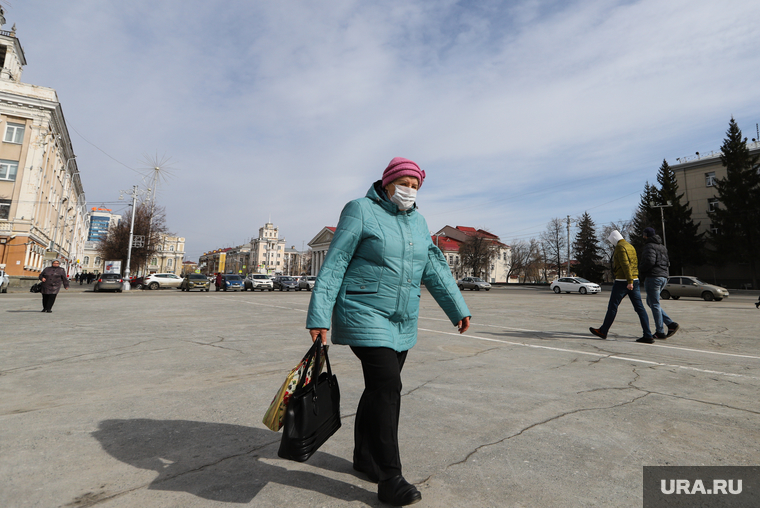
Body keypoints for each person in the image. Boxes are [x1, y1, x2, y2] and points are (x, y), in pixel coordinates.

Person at [306, 157, 471, 506]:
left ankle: (365, 457)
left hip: (402, 319)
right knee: (388, 387)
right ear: (387, 183)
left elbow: (434, 269)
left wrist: (457, 308)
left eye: (416, 186)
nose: (409, 190)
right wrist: (319, 315)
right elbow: (335, 262)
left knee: (379, 388)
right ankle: (390, 477)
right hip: (363, 311)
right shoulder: (360, 210)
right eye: (404, 183)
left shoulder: (419, 222)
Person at [590, 230, 654, 343]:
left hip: (623, 281)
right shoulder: (630, 246)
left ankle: (603, 331)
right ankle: (648, 334)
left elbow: (625, 264)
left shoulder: (620, 247)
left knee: (612, 306)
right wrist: (632, 280)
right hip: (635, 280)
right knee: (640, 308)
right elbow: (634, 263)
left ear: (614, 239)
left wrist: (629, 281)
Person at [638, 227, 679, 339]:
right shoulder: (662, 247)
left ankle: (660, 332)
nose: (643, 237)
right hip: (663, 277)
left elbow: (649, 262)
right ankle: (670, 324)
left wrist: (640, 269)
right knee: (651, 302)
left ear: (646, 235)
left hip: (653, 277)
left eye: (644, 235)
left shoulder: (649, 246)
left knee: (654, 304)